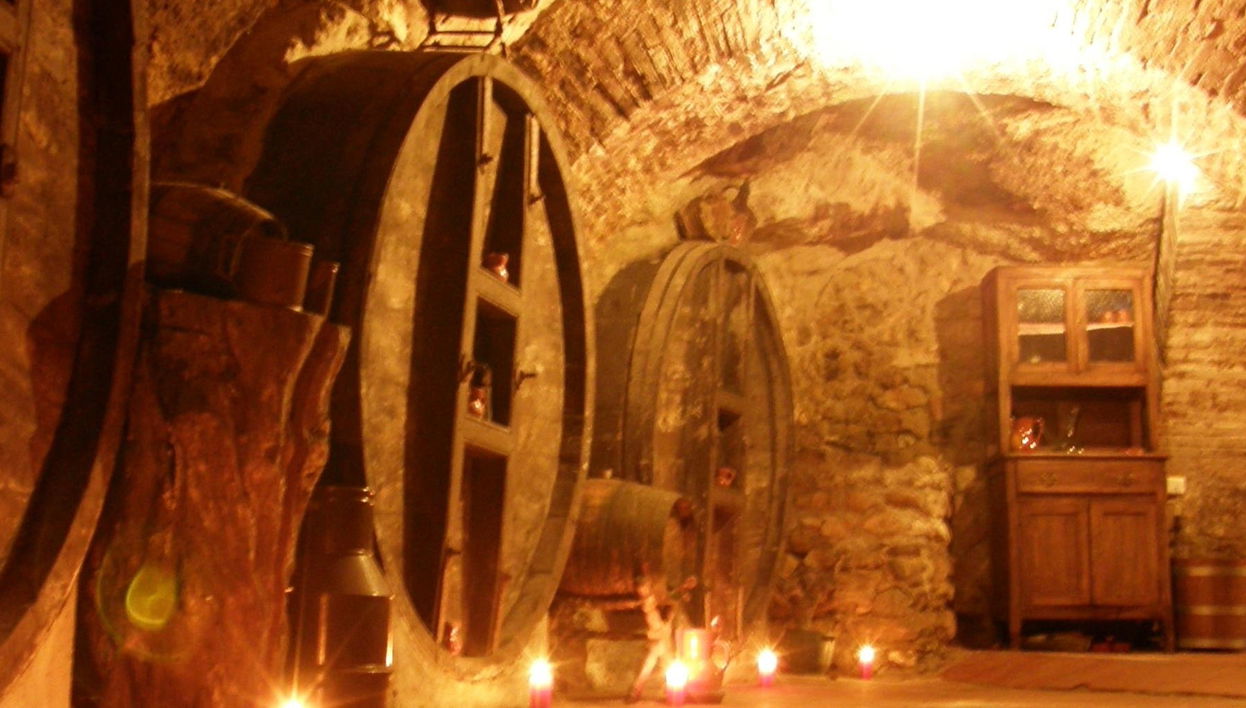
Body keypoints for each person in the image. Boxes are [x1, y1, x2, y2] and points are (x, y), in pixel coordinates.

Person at [625, 573, 697, 703]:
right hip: (657, 637)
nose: (643, 590)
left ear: (649, 586)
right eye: (641, 589)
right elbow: (663, 604)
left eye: (645, 587)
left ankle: (680, 691)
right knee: (649, 666)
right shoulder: (647, 602)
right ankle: (635, 692)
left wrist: (683, 589)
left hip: (662, 635)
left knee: (668, 664)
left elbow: (670, 598)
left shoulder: (656, 597)